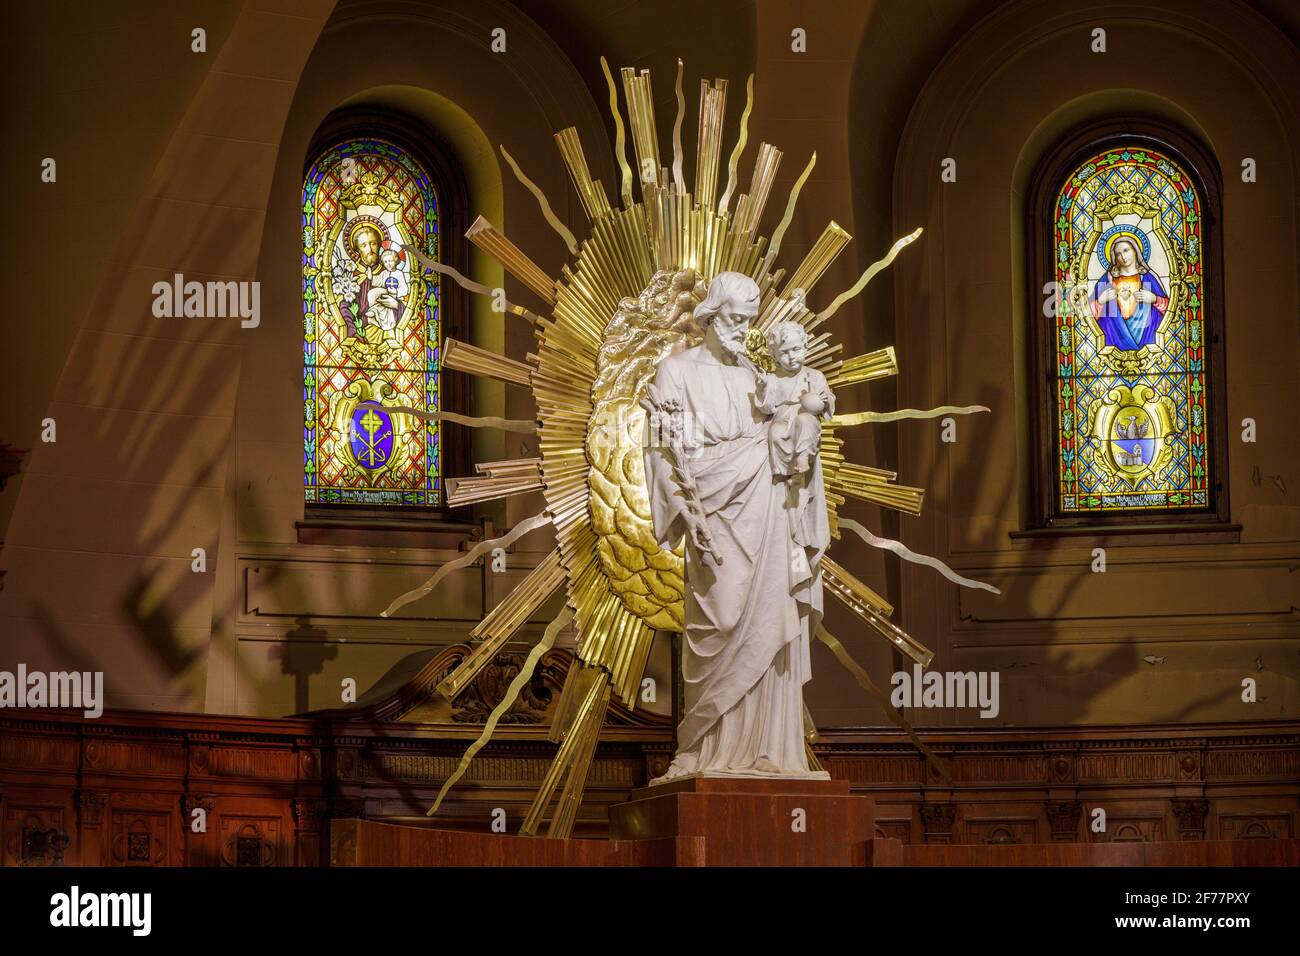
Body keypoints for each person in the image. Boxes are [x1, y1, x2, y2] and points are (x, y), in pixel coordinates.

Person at [640, 272, 828, 782]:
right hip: (712, 519)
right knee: (718, 621)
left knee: (772, 620)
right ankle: (702, 747)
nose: (743, 331)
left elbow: (783, 440)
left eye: (749, 322)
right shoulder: (674, 373)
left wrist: (801, 439)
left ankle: (770, 750)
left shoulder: (754, 376)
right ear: (709, 315)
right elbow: (662, 453)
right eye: (734, 320)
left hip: (767, 513)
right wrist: (684, 510)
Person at [1090, 235, 1168, 350]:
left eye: (1126, 250)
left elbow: (1170, 310)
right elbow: (1086, 316)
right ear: (1114, 257)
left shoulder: (1148, 278)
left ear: (1135, 251)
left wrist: (1155, 299)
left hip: (1148, 341)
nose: (1123, 256)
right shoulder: (1107, 280)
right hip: (1113, 342)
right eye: (1118, 254)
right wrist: (1101, 301)